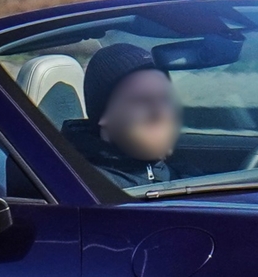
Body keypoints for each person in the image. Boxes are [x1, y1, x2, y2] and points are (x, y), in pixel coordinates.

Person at [72, 43, 179, 184]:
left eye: (165, 98)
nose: (161, 113)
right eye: (141, 100)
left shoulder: (175, 171)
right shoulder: (90, 188)